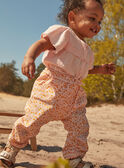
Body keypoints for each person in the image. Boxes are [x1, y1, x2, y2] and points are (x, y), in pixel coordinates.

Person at [0, 0, 115, 167]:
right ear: (72, 17)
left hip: (74, 97)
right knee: (31, 121)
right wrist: (29, 57)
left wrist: (101, 69)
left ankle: (73, 159)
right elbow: (42, 44)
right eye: (92, 18)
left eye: (100, 21)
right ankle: (11, 150)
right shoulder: (64, 33)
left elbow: (84, 70)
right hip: (52, 88)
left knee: (80, 128)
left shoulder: (88, 51)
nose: (97, 24)